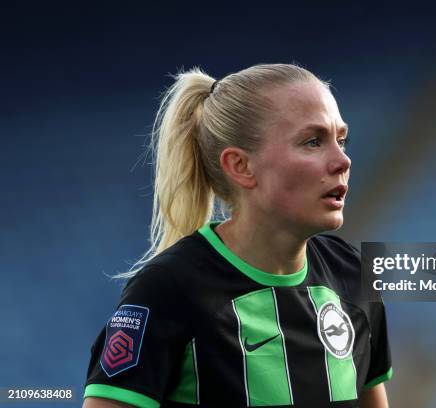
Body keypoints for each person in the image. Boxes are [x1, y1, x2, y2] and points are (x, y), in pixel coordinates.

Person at [83, 63, 392, 408]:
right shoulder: (169, 289)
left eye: (341, 140)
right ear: (241, 166)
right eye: (313, 141)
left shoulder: (353, 276)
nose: (342, 160)